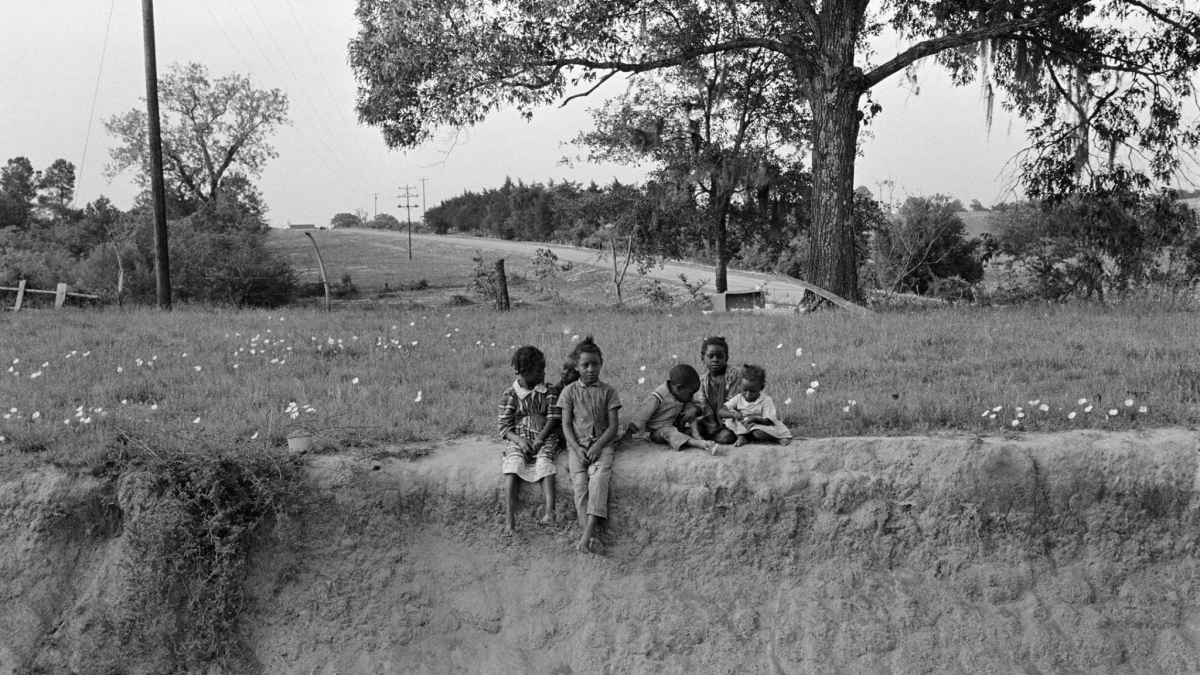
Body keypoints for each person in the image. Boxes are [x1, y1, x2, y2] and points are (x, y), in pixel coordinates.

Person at [557, 336, 621, 554]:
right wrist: (577, 448)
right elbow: (566, 425)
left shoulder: (609, 392)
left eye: (595, 364)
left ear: (601, 363)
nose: (590, 369)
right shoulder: (569, 392)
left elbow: (613, 427)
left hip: (602, 445)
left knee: (599, 479)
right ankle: (591, 538)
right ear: (576, 366)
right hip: (577, 447)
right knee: (580, 485)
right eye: (585, 365)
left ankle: (588, 534)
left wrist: (597, 447)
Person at [497, 346, 561, 535]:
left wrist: (541, 437)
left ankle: (550, 511)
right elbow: (504, 427)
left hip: (545, 436)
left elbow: (553, 417)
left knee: (544, 461)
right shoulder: (510, 395)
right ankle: (510, 521)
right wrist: (520, 441)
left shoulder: (548, 391)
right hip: (520, 439)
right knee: (513, 465)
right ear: (524, 372)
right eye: (539, 370)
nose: (544, 373)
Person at [624, 363, 724, 455]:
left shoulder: (683, 395)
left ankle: (696, 435)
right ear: (679, 388)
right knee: (668, 431)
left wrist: (695, 410)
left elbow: (698, 406)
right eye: (690, 393)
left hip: (678, 428)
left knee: (690, 407)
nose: (691, 396)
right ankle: (697, 443)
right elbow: (642, 415)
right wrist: (629, 433)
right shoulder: (658, 396)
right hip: (658, 432)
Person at [719, 364, 793, 446]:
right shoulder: (738, 398)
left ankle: (776, 438)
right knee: (729, 420)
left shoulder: (765, 400)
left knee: (757, 433)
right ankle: (741, 436)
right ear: (740, 386)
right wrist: (734, 414)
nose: (748, 394)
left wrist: (755, 419)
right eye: (745, 390)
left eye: (752, 391)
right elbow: (721, 411)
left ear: (761, 387)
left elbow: (769, 421)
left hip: (760, 425)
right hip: (742, 425)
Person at [691, 336, 740, 445]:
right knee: (691, 430)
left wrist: (721, 424)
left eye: (720, 356)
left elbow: (733, 401)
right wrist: (712, 423)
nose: (715, 360)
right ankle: (711, 435)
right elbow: (704, 404)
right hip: (711, 421)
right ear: (702, 357)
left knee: (727, 437)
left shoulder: (733, 375)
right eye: (711, 356)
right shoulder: (702, 381)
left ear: (726, 358)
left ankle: (713, 437)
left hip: (730, 420)